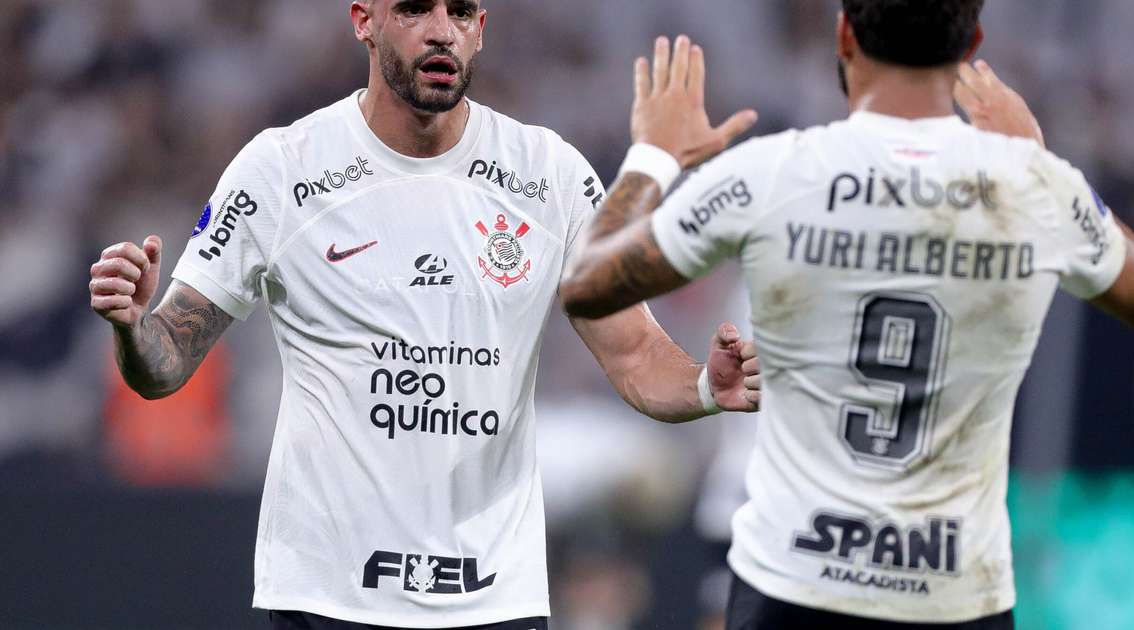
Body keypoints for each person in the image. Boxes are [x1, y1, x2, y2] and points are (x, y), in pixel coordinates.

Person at [87, 1, 762, 628]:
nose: (442, 28)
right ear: (364, 19)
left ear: (480, 27)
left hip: (492, 597)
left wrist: (707, 384)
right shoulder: (281, 169)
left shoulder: (547, 174)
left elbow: (637, 355)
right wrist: (131, 327)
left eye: (461, 10)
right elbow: (163, 363)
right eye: (414, 7)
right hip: (327, 598)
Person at [559, 0, 1134, 627]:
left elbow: (587, 283)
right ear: (973, 44)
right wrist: (1041, 164)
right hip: (953, 592)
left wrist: (654, 157)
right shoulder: (1031, 187)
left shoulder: (777, 171)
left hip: (794, 581)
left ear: (845, 34)